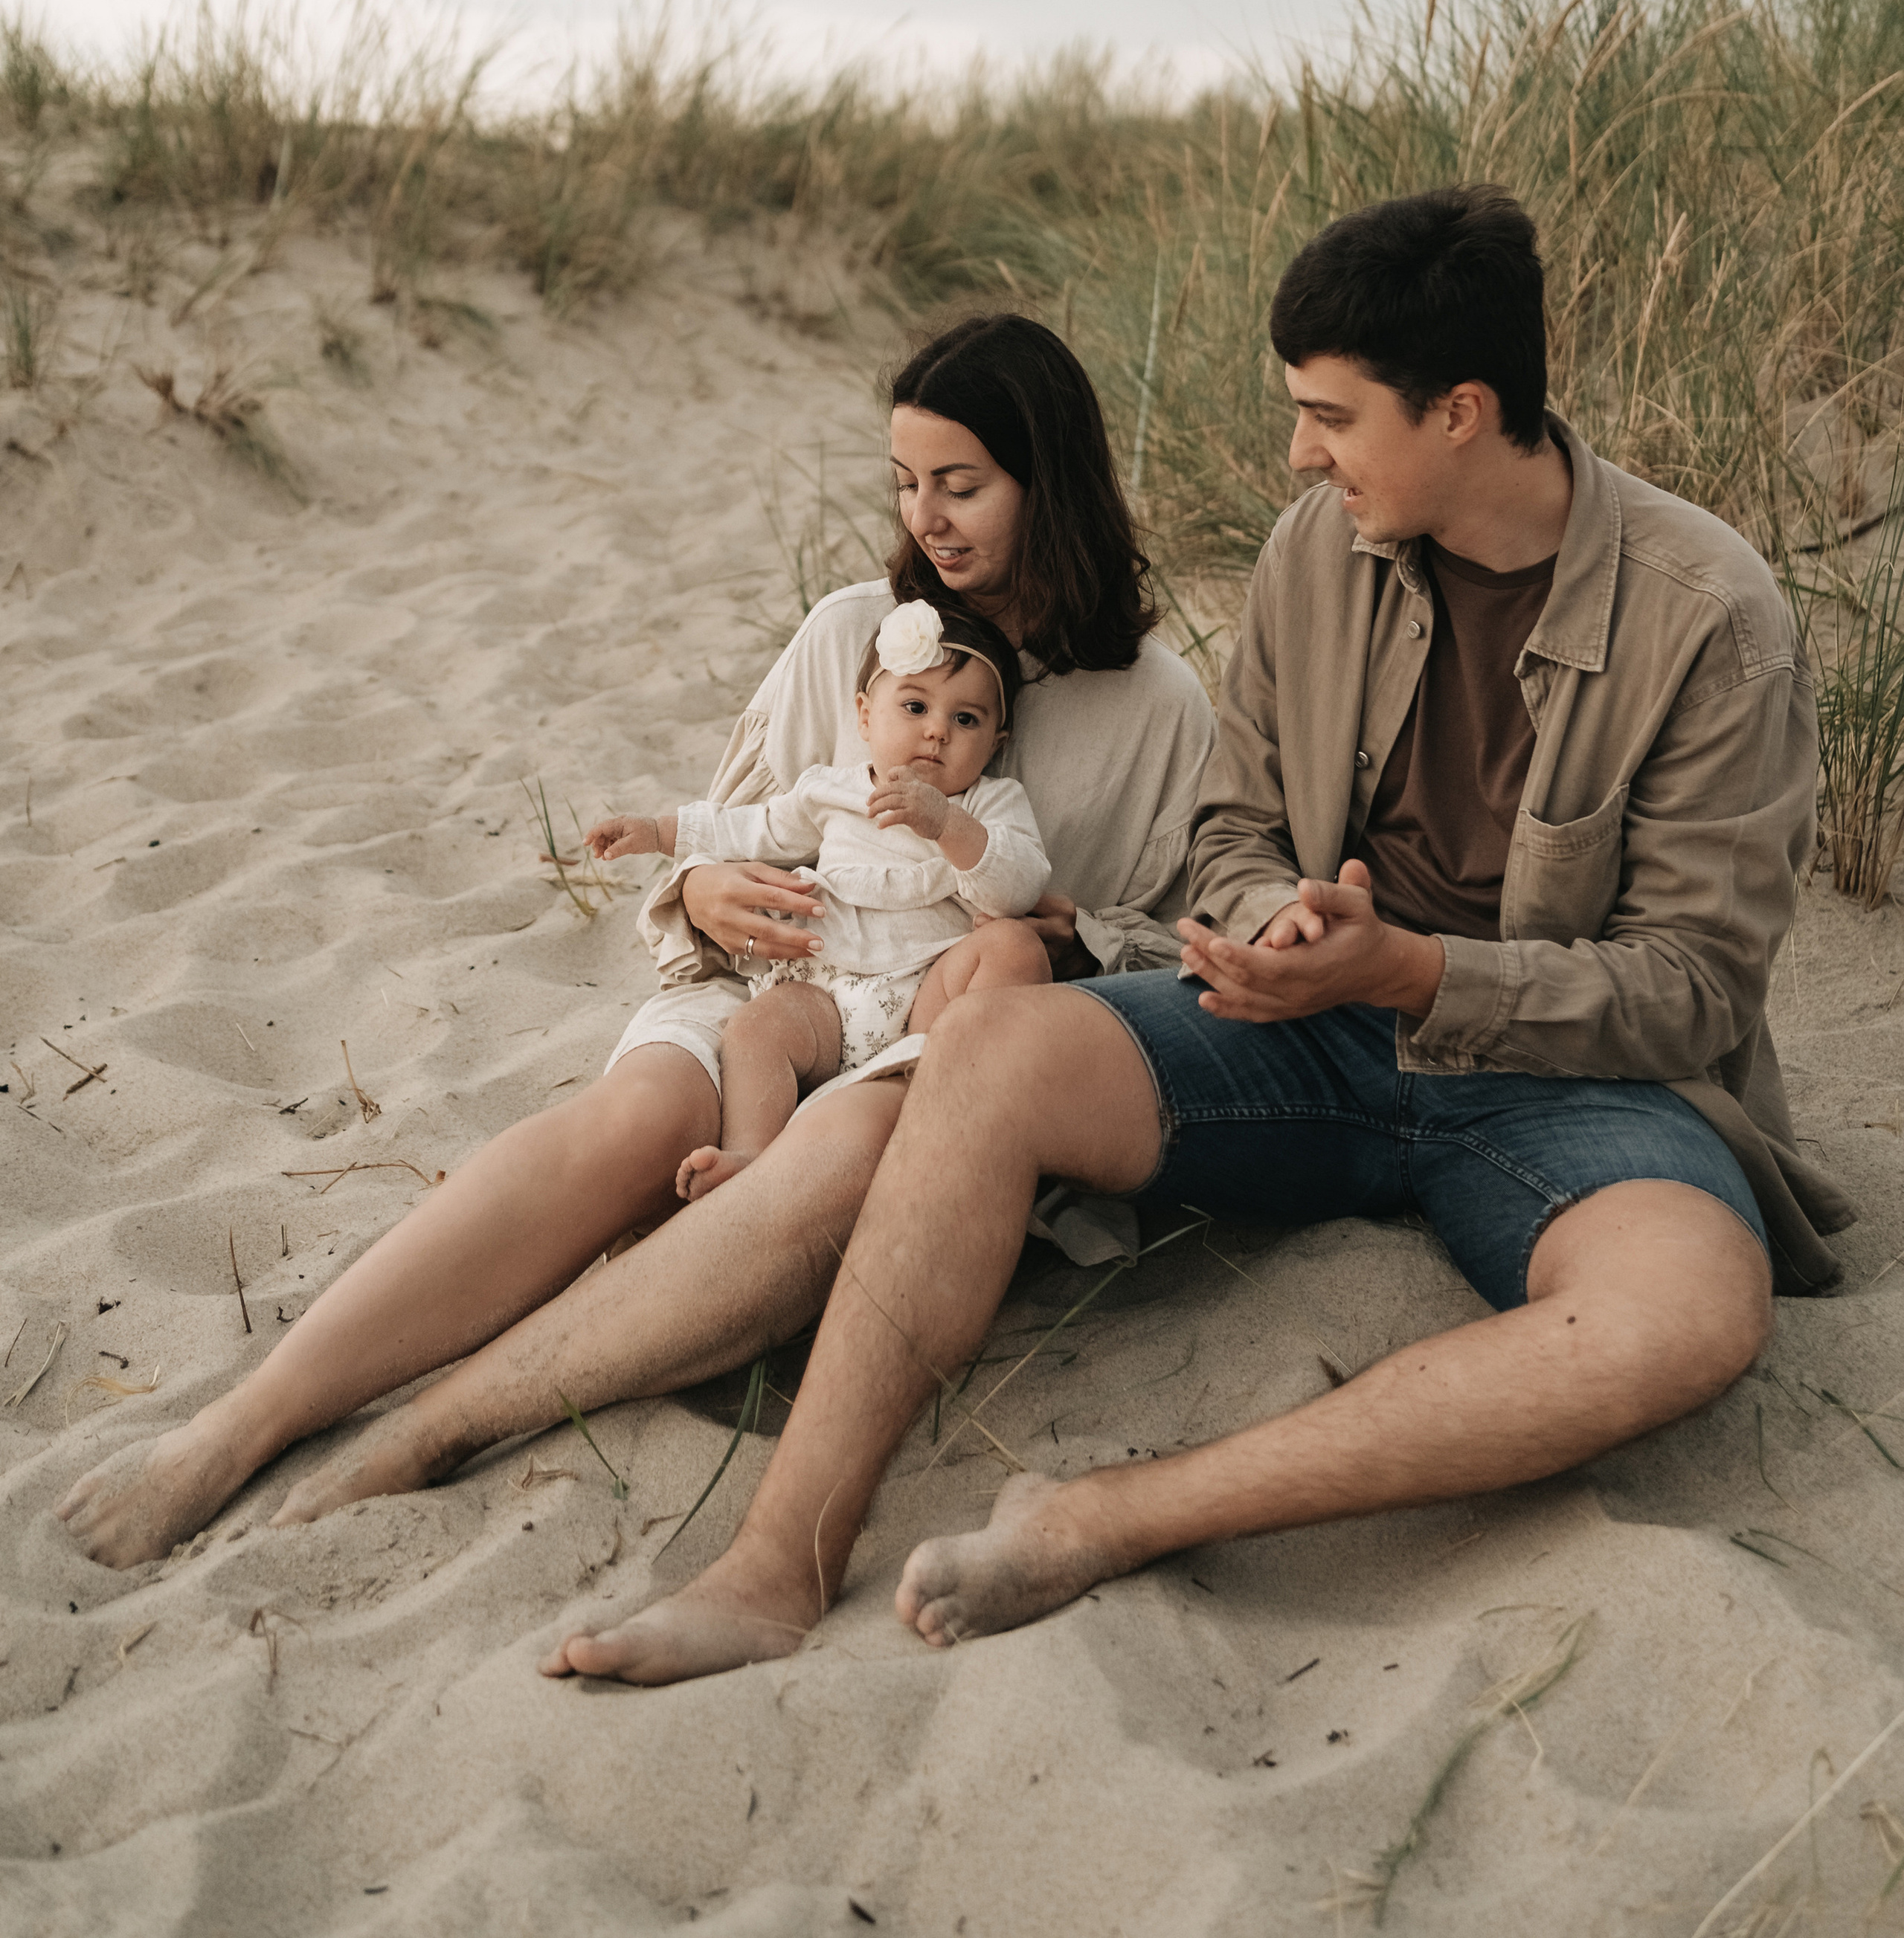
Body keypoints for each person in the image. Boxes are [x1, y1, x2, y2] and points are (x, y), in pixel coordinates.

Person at [542, 183, 1850, 1687]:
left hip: (1578, 1086)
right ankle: (776, 1561)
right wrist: (1276, 925)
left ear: (1460, 412)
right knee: (988, 1042)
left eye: (1325, 415)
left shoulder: (1711, 616)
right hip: (1302, 1029)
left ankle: (1109, 1513)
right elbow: (1225, 836)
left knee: (1683, 1310)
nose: (1296, 451)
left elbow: (1689, 991)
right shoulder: (1317, 550)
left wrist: (1411, 967)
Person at [56, 313, 1214, 1568]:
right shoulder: (848, 634)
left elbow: (1176, 947)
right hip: (788, 982)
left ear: (1054, 480)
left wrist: (1072, 932)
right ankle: (245, 1420)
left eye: (962, 484)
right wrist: (709, 888)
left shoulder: (1156, 703)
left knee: (834, 1149)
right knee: (638, 1114)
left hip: (941, 1056)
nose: (927, 517)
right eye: (905, 483)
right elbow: (733, 833)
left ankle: (437, 1425)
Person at [594, 597, 1051, 1200]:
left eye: (966, 720)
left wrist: (947, 826)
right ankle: (752, 1153)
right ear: (865, 716)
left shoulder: (989, 806)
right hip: (826, 994)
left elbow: (1018, 887)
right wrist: (659, 832)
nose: (937, 730)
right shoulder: (831, 790)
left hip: (928, 997)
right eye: (914, 707)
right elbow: (751, 828)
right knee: (756, 1028)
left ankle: (943, 1104)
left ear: (996, 741)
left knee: (1013, 945)